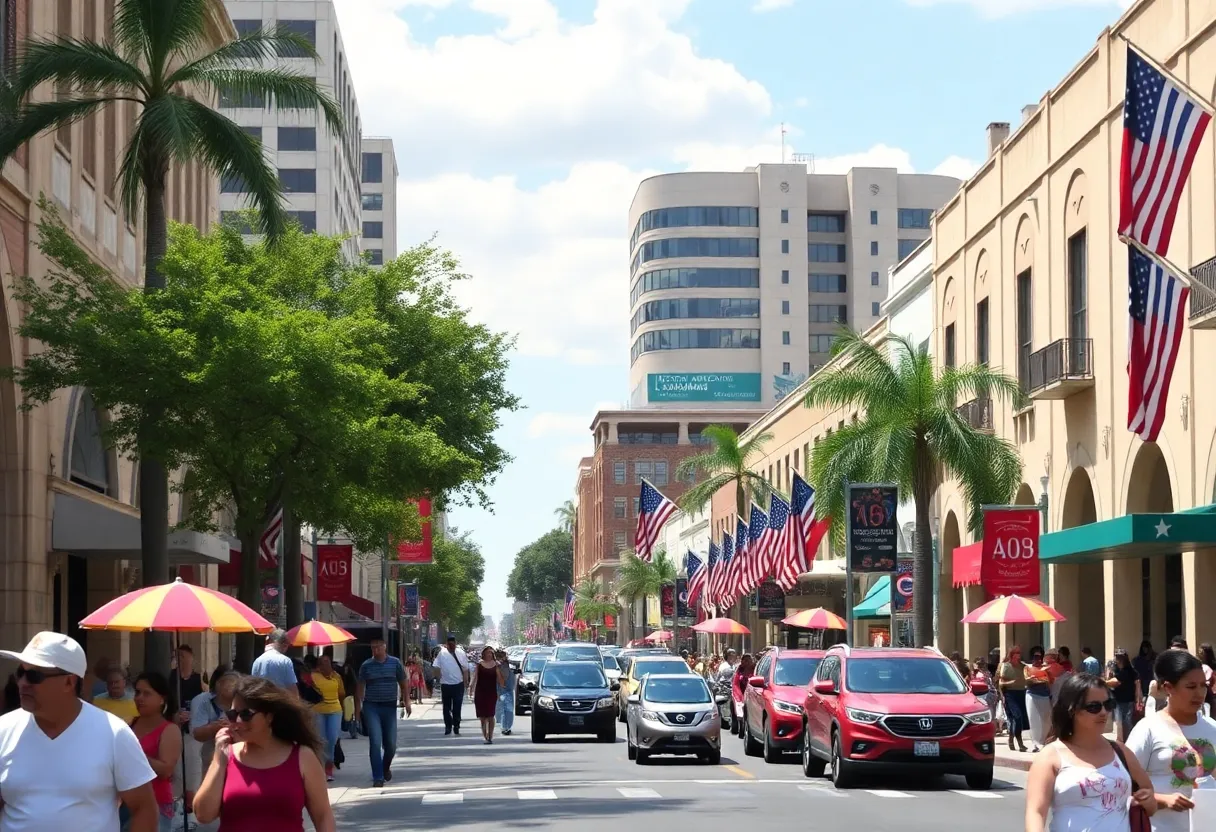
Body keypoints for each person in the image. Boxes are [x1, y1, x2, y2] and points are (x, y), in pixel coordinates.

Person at [0, 632, 158, 832]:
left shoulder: (114, 734)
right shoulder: (4, 730)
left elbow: (144, 809)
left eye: (34, 676)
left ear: (69, 682)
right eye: (20, 673)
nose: (22, 683)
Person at [193, 675, 335, 832]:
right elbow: (203, 815)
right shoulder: (226, 756)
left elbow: (323, 816)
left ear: (269, 716)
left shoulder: (302, 757)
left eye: (246, 714)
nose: (238, 721)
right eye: (233, 714)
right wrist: (219, 759)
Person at [1024, 672, 1156, 832]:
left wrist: (1148, 801)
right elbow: (1036, 813)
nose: (1103, 712)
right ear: (1072, 710)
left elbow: (1149, 797)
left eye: (1108, 705)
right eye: (1094, 707)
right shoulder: (1050, 756)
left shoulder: (1120, 751)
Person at [1126, 649, 1216, 832]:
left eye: (1203, 685)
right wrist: (1162, 800)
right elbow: (1123, 785)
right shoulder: (1148, 729)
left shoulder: (1212, 727)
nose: (1200, 693)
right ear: (1168, 688)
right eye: (1191, 687)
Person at [130, 672, 183, 831]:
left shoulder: (169, 729)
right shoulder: (130, 724)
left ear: (162, 699)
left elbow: (166, 771)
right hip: (126, 802)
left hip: (156, 804)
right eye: (137, 692)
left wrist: (134, 755)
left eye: (147, 694)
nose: (140, 698)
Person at [355, 637, 411, 788]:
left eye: (378, 647)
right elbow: (359, 688)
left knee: (391, 745)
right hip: (371, 707)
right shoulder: (366, 665)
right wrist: (357, 712)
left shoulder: (395, 663)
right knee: (375, 742)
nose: (375, 650)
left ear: (384, 647)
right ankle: (378, 776)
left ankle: (385, 767)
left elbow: (403, 683)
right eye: (373, 648)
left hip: (389, 707)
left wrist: (407, 702)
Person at [191, 668, 238, 776]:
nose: (232, 686)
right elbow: (197, 734)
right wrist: (215, 727)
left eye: (235, 683)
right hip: (212, 757)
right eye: (229, 682)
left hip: (238, 755)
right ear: (218, 685)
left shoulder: (243, 701)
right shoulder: (204, 701)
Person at [308, 655, 345, 782]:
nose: (326, 665)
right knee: (321, 739)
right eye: (322, 662)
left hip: (335, 710)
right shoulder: (313, 676)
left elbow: (341, 694)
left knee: (332, 738)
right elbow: (308, 693)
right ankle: (322, 767)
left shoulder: (337, 676)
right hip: (318, 711)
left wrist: (343, 709)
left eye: (327, 662)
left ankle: (329, 763)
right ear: (318, 665)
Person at [434, 634, 469, 737]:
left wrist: (466, 682)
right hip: (446, 684)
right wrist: (438, 677)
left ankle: (456, 725)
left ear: (455, 643)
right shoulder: (442, 653)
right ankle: (448, 726)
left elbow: (465, 669)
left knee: (457, 707)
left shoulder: (461, 653)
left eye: (453, 643)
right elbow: (436, 666)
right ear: (446, 644)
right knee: (446, 707)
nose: (451, 645)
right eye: (450, 643)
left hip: (458, 684)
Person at [1105, 647, 1141, 742]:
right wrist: (1109, 674)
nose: (1117, 659)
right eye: (1117, 657)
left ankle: (1126, 742)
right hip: (1118, 700)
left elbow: (1116, 682)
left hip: (1128, 701)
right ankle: (1121, 741)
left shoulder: (1129, 671)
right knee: (1119, 723)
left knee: (1126, 723)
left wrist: (1138, 700)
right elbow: (1110, 680)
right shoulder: (1116, 669)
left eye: (1120, 657)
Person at [999, 645, 1030, 752]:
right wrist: (1010, 684)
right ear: (1012, 654)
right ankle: (1020, 743)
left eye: (1019, 653)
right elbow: (1001, 682)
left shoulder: (1023, 666)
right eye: (1017, 653)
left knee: (1017, 720)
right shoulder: (1006, 666)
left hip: (1022, 693)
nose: (1019, 655)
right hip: (1010, 694)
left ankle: (1012, 739)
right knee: (1017, 716)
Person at [471, 646, 505, 744]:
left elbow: (501, 679)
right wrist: (471, 688)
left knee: (490, 715)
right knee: (482, 717)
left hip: (491, 693)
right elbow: (475, 677)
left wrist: (502, 687)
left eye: (491, 653)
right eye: (487, 653)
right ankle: (485, 735)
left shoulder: (496, 665)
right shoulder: (479, 664)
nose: (489, 655)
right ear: (484, 654)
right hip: (480, 693)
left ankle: (490, 736)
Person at [251, 630, 298, 697]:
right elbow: (292, 688)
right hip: (280, 700)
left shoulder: (257, 661)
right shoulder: (285, 660)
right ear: (284, 645)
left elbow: (254, 685)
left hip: (262, 700)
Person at [1025, 647, 1054, 752]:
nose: (1037, 659)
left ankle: (1043, 740)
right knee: (1034, 720)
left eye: (1039, 657)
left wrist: (1044, 678)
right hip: (1032, 696)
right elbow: (1027, 680)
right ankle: (1036, 743)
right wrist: (1037, 680)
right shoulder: (1027, 668)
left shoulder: (1046, 668)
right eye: (1035, 657)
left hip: (1045, 696)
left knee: (1046, 720)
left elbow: (1050, 681)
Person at [495, 649, 516, 737]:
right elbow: (499, 680)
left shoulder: (507, 665)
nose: (505, 658)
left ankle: (507, 727)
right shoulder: (498, 666)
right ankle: (505, 727)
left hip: (508, 690)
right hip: (503, 690)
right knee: (504, 709)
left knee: (508, 709)